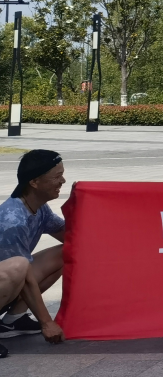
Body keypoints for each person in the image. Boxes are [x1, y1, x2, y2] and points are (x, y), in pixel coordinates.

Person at [0, 149, 68, 355]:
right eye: (57, 176)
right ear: (34, 182)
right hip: (7, 277)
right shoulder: (12, 220)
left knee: (67, 252)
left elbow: (70, 237)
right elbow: (25, 276)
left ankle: (13, 321)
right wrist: (47, 322)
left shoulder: (39, 208)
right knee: (19, 266)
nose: (63, 181)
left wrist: (80, 203)